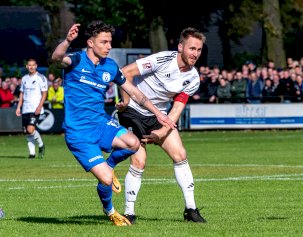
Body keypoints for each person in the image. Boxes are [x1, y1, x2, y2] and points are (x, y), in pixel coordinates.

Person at [51, 21, 175, 226]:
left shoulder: (110, 66)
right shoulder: (76, 60)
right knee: (106, 180)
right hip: (79, 133)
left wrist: (159, 114)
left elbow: (135, 92)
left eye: (110, 41)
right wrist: (67, 41)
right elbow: (56, 58)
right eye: (104, 42)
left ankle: (109, 165)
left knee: (134, 143)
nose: (109, 46)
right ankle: (110, 211)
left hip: (101, 124)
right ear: (90, 43)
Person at [117, 27, 207, 224]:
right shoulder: (162, 60)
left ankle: (191, 210)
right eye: (192, 48)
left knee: (180, 155)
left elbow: (176, 110)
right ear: (180, 47)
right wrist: (124, 101)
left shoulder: (192, 78)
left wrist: (162, 131)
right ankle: (129, 213)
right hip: (134, 111)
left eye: (199, 50)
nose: (195, 54)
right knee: (139, 160)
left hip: (159, 115)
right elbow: (125, 73)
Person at [15, 59, 47, 159]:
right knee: (27, 132)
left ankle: (41, 145)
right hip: (25, 108)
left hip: (35, 108)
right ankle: (32, 153)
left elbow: (44, 93)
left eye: (33, 65)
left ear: (36, 66)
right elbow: (22, 93)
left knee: (30, 129)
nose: (31, 67)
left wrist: (39, 107)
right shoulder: (24, 78)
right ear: (26, 66)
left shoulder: (41, 78)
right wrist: (18, 107)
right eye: (29, 65)